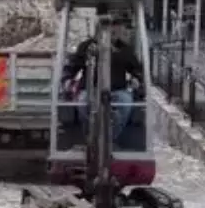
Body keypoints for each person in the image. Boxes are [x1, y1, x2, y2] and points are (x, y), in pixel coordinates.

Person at [60, 14, 144, 145]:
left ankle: (109, 139)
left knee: (126, 103)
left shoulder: (125, 50)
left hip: (117, 90)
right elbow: (72, 66)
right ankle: (92, 133)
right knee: (82, 103)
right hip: (90, 89)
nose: (114, 32)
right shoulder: (87, 47)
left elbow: (137, 69)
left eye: (116, 29)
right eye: (111, 29)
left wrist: (137, 79)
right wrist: (67, 79)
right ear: (100, 29)